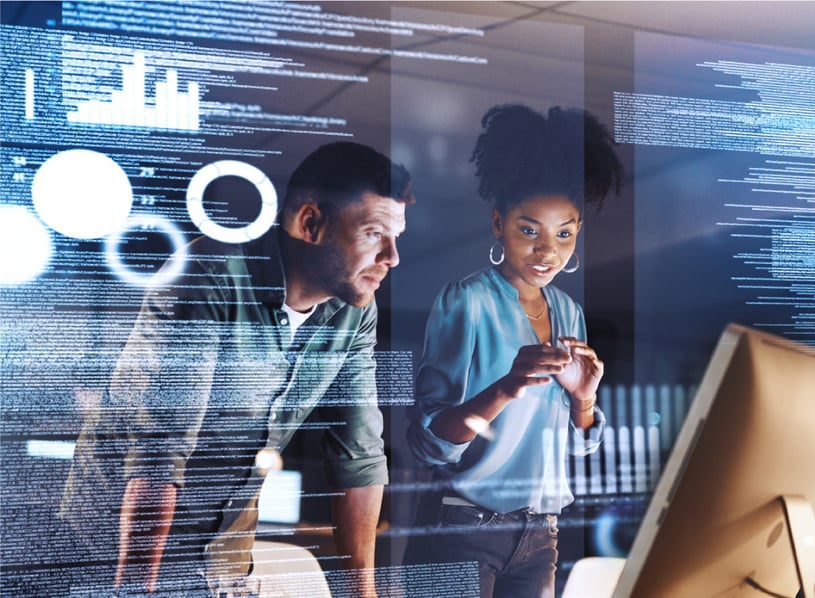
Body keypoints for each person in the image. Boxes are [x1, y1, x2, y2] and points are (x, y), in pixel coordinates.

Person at [58, 141, 414, 596]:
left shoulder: (354, 310)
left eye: (396, 238)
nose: (392, 258)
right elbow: (160, 458)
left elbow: (359, 456)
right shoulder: (206, 271)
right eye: (373, 234)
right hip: (114, 552)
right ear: (310, 223)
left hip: (222, 560)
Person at [404, 104, 623, 597]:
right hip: (462, 528)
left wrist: (583, 402)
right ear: (499, 223)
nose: (548, 251)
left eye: (563, 234)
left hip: (541, 535)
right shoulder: (467, 301)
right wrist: (506, 387)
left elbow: (577, 447)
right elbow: (429, 442)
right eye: (530, 230)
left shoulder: (568, 313)